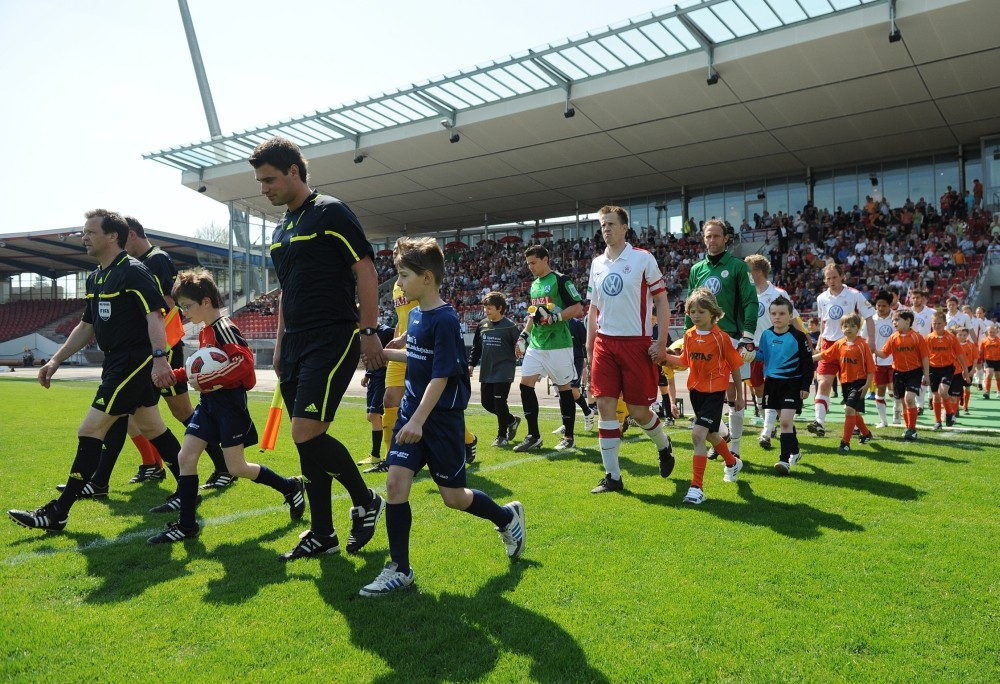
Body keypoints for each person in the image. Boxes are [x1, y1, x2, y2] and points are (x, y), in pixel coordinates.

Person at [358, 237, 524, 597]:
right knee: (395, 484)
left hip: (439, 421)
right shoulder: (416, 314)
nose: (398, 284)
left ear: (428, 278)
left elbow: (442, 374)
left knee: (453, 497)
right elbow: (419, 359)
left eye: (403, 276)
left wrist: (418, 420)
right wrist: (384, 355)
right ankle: (400, 569)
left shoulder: (446, 320)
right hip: (412, 414)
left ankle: (506, 518)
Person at [250, 136, 385, 561]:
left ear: (294, 171)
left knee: (304, 432)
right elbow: (289, 292)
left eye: (270, 179)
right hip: (294, 343)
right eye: (260, 181)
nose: (264, 188)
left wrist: (369, 331)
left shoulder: (330, 211)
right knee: (308, 443)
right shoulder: (279, 230)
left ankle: (365, 499)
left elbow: (365, 269)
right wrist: (278, 344)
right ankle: (323, 533)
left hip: (333, 335)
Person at [8, 209, 184, 532]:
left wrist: (160, 358)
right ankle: (189, 491)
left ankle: (58, 512)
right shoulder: (96, 277)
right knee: (152, 426)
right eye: (83, 232)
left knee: (89, 430)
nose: (84, 237)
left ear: (112, 236)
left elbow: (156, 316)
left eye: (90, 231)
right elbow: (86, 326)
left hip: (135, 361)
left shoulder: (134, 271)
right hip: (115, 362)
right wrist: (55, 360)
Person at [147, 268, 307, 543]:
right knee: (186, 457)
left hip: (229, 406)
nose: (184, 312)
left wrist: (209, 379)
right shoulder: (206, 331)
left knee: (236, 468)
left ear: (206, 302)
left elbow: (245, 364)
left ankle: (291, 487)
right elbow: (199, 365)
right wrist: (175, 376)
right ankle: (187, 526)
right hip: (208, 403)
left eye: (187, 306)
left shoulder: (224, 328)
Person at [586, 205, 674, 494]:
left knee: (638, 411)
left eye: (611, 224)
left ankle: (664, 445)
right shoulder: (597, 263)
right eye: (603, 225)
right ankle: (613, 476)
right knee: (605, 406)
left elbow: (661, 301)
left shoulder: (642, 259)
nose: (606, 229)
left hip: (636, 344)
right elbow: (593, 307)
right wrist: (590, 346)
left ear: (625, 227)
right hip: (605, 344)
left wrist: (661, 341)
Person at [662, 289, 745, 504]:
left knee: (698, 434)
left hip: (715, 393)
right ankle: (732, 463)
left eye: (700, 311)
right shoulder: (689, 335)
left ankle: (696, 488)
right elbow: (685, 362)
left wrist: (739, 395)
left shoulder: (721, 338)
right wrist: (665, 357)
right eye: (692, 311)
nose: (695, 315)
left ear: (712, 313)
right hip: (696, 392)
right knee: (710, 434)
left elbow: (735, 367)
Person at [686, 219, 758, 459]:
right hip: (703, 340)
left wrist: (748, 334)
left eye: (717, 236)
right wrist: (683, 340)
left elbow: (750, 301)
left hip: (731, 338)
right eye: (708, 236)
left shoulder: (738, 267)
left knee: (733, 392)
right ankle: (723, 436)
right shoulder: (697, 269)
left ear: (726, 238)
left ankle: (735, 448)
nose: (712, 240)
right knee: (709, 391)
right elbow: (690, 306)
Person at [513, 244, 585, 452]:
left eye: (534, 263)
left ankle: (569, 437)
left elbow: (578, 307)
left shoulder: (561, 280)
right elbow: (533, 314)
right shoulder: (534, 285)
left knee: (564, 389)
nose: (531, 267)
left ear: (546, 259)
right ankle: (533, 435)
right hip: (537, 344)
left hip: (559, 344)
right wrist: (524, 336)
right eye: (528, 264)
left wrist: (556, 317)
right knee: (525, 385)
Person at [744, 254, 812, 449]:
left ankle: (766, 431)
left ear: (757, 272)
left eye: (747, 271)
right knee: (758, 388)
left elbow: (794, 320)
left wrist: (804, 342)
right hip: (754, 348)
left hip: (777, 349)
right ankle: (770, 423)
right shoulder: (746, 294)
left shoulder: (777, 294)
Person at [743, 296, 812, 474]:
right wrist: (751, 356)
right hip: (772, 383)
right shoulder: (766, 334)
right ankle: (795, 452)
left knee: (785, 421)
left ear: (790, 316)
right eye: (773, 313)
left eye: (782, 313)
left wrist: (805, 386)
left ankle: (784, 461)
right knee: (785, 420)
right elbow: (763, 355)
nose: (777, 317)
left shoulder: (798, 336)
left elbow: (807, 363)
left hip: (792, 383)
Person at [808, 263, 875, 437]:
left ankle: (858, 428)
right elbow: (824, 322)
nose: (831, 281)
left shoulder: (854, 295)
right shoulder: (822, 298)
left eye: (834, 277)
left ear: (842, 276)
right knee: (823, 383)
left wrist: (871, 341)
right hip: (828, 345)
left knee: (850, 390)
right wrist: (820, 341)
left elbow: (869, 317)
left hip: (850, 346)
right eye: (828, 278)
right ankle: (819, 423)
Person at [812, 314, 875, 453]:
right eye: (846, 326)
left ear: (858, 328)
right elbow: (824, 354)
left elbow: (871, 368)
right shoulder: (840, 343)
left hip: (860, 383)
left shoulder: (862, 345)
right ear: (841, 328)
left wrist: (867, 385)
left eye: (852, 326)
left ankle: (845, 443)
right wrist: (806, 360)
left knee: (849, 410)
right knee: (854, 411)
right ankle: (866, 433)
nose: (849, 328)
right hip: (845, 382)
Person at [468, 292, 521, 447]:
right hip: (487, 370)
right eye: (485, 308)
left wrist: (520, 349)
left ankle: (501, 436)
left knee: (499, 402)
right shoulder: (482, 325)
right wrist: (471, 364)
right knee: (486, 403)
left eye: (489, 308)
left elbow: (520, 346)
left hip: (504, 370)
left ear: (500, 308)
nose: (486, 311)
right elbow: (476, 347)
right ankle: (512, 420)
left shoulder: (511, 327)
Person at [874, 310, 930, 441]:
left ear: (907, 321)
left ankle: (912, 428)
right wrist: (873, 350)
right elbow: (884, 354)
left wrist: (926, 375)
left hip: (914, 372)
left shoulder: (917, 337)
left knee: (909, 399)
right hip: (898, 373)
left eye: (897, 320)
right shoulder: (893, 338)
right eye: (893, 320)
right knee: (904, 402)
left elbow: (925, 357)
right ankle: (908, 428)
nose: (894, 322)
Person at [359, 320, 397, 473]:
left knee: (374, 415)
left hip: (383, 379)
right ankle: (380, 454)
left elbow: (395, 351)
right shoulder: (366, 334)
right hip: (373, 378)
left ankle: (377, 455)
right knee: (372, 417)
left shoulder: (387, 332)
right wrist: (367, 374)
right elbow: (371, 357)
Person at [551, 313, 597, 436]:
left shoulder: (576, 324)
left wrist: (587, 359)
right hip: (560, 359)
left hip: (575, 360)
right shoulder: (555, 322)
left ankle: (587, 411)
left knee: (572, 390)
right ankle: (566, 423)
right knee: (562, 392)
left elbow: (586, 342)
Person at [925, 311, 968, 429]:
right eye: (934, 323)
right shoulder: (929, 338)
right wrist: (925, 373)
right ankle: (938, 422)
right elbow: (925, 357)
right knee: (935, 396)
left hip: (948, 369)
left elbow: (960, 355)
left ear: (945, 323)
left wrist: (965, 371)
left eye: (939, 323)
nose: (937, 325)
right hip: (933, 369)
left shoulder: (951, 337)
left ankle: (949, 413)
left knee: (943, 392)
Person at [863, 292, 899, 428]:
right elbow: (863, 338)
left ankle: (897, 410)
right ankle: (883, 420)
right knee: (880, 389)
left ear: (890, 306)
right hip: (877, 361)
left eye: (884, 306)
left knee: (894, 389)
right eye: (878, 305)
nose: (880, 308)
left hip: (895, 360)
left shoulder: (896, 318)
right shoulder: (870, 320)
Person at [955, 326, 977, 415]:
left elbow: (975, 358)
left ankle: (965, 407)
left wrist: (972, 370)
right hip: (957, 369)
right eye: (960, 335)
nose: (962, 337)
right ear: (956, 335)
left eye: (964, 335)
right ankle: (956, 409)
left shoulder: (971, 345)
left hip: (968, 369)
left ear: (968, 335)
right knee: (956, 389)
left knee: (967, 388)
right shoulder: (954, 345)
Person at [980, 323, 1000, 399]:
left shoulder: (999, 340)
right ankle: (987, 392)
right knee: (989, 374)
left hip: (998, 360)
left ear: (997, 332)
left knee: (998, 376)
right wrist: (980, 361)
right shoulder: (984, 341)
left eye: (994, 332)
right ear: (987, 332)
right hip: (988, 360)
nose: (992, 334)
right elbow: (981, 352)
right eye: (990, 332)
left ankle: (999, 391)